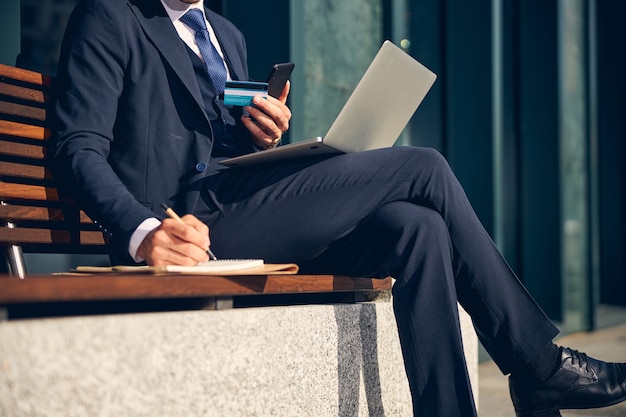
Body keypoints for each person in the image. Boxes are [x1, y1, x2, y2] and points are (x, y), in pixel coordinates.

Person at [50, 0, 626, 415]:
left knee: (416, 227)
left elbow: (212, 146)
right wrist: (143, 230)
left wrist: (261, 136)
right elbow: (76, 147)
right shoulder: (111, 15)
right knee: (422, 166)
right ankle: (539, 368)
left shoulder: (224, 32)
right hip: (189, 226)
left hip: (241, 200)